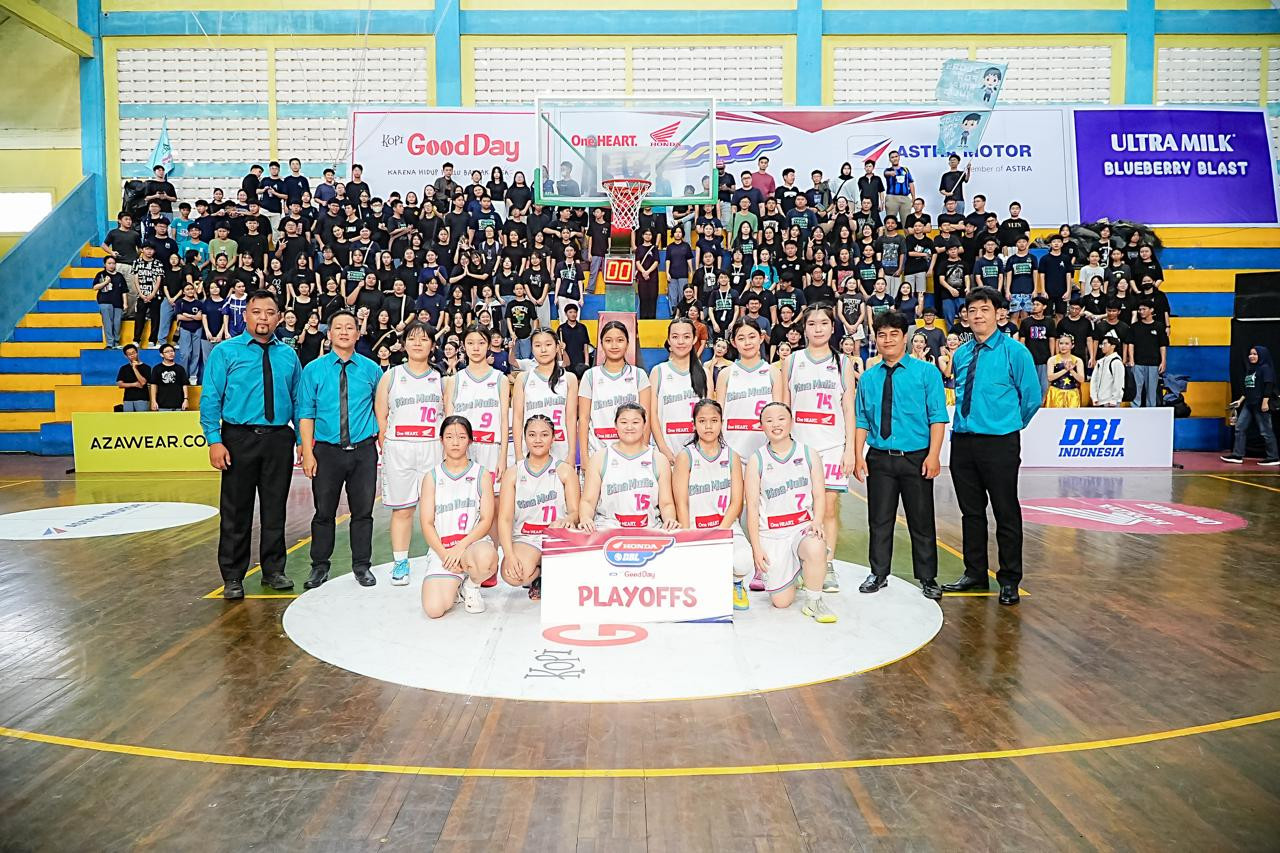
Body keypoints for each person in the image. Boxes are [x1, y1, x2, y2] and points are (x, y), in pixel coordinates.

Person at [200, 290, 303, 600]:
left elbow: (298, 401)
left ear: (279, 318)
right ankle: (233, 576)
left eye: (270, 313)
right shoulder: (225, 352)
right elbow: (211, 398)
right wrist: (215, 440)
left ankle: (273, 570)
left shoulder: (288, 355)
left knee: (275, 509)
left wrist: (302, 440)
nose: (263, 318)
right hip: (238, 438)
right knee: (236, 510)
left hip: (278, 439)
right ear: (245, 315)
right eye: (257, 312)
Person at [943, 288, 1042, 606]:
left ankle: (1009, 579)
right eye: (972, 310)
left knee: (1005, 510)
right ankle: (974, 573)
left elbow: (1032, 398)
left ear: (998, 314)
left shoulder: (1016, 352)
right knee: (970, 512)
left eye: (984, 309)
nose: (977, 315)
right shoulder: (962, 354)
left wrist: (1007, 424)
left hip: (999, 442)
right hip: (963, 441)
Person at [851, 311, 947, 600]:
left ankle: (928, 577)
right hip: (879, 458)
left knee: (921, 519)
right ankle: (878, 572)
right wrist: (858, 455)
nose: (888, 340)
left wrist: (934, 455)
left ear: (905, 337)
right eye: (882, 335)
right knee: (879, 519)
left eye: (894, 334)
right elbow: (861, 420)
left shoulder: (927, 373)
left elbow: (937, 417)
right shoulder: (868, 378)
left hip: (916, 457)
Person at [297, 310, 382, 589]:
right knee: (324, 512)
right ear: (329, 334)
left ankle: (362, 566)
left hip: (363, 451)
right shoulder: (313, 370)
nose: (344, 332)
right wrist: (307, 452)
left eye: (350, 327)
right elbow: (306, 413)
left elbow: (381, 410)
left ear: (358, 333)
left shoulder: (372, 370)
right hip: (327, 452)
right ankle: (319, 567)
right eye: (338, 327)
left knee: (363, 512)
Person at [781, 305, 857, 593]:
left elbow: (848, 408)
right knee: (797, 507)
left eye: (823, 323)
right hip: (799, 446)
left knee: (828, 508)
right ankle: (797, 563)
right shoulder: (792, 361)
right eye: (812, 323)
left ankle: (827, 564)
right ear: (804, 329)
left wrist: (850, 449)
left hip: (832, 445)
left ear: (832, 327)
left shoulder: (843, 363)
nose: (818, 328)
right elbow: (783, 406)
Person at [743, 402, 835, 623]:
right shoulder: (757, 459)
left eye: (781, 419)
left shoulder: (808, 453)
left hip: (800, 528)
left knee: (815, 545)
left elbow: (819, 494)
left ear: (791, 422)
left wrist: (817, 521)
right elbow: (752, 507)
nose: (776, 424)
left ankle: (814, 601)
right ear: (762, 426)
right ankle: (799, 574)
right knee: (781, 602)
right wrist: (756, 548)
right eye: (769, 420)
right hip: (772, 534)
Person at [375, 320, 443, 585]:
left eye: (424, 339)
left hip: (431, 447)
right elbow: (382, 416)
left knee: (435, 508)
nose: (417, 343)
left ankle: (437, 556)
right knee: (403, 509)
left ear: (432, 345)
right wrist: (386, 444)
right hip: (400, 448)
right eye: (412, 338)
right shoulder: (391, 376)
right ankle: (400, 561)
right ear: (403, 344)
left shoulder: (441, 379)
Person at [672, 399, 754, 610]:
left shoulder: (732, 456)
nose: (708, 426)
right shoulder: (685, 456)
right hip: (694, 527)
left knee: (743, 560)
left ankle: (736, 584)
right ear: (694, 424)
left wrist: (719, 533)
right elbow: (681, 502)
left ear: (722, 423)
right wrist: (687, 536)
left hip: (725, 526)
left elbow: (736, 502)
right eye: (702, 421)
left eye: (714, 421)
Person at [419, 415, 500, 618]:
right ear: (441, 440)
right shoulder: (432, 477)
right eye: (449, 437)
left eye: (462, 437)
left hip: (472, 546)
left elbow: (486, 520)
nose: (455, 442)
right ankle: (456, 585)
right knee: (434, 609)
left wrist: (460, 547)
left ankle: (471, 585)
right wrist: (444, 554)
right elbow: (427, 523)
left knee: (487, 557)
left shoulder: (481, 474)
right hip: (444, 550)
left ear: (470, 440)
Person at [497, 415, 581, 601]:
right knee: (511, 574)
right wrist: (509, 555)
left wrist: (567, 520)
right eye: (532, 434)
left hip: (556, 536)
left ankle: (549, 575)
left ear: (553, 438)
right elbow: (504, 518)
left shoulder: (564, 470)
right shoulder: (513, 473)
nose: (538, 440)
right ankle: (538, 575)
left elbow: (576, 512)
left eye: (544, 434)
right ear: (524, 437)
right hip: (526, 538)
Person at [579, 403, 678, 531]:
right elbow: (588, 501)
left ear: (644, 425)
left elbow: (666, 503)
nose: (629, 427)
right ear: (615, 425)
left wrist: (670, 519)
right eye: (624, 422)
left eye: (635, 422)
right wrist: (586, 518)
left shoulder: (659, 459)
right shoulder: (600, 458)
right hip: (607, 531)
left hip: (649, 531)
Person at [445, 324, 510, 485]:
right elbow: (448, 422)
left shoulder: (500, 379)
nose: (475, 348)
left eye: (481, 343)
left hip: (492, 448)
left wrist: (503, 457)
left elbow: (504, 420)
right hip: (462, 449)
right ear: (463, 346)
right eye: (470, 343)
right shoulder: (454, 381)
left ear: (488, 345)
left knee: (493, 498)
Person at [578, 321, 651, 455]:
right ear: (601, 344)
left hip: (632, 453)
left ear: (628, 343)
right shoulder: (590, 376)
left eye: (620, 340)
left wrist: (643, 452)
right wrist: (584, 457)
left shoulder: (639, 375)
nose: (614, 345)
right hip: (597, 453)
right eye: (608, 340)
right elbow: (583, 419)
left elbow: (646, 417)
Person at [513, 328, 577, 464]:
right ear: (532, 349)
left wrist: (571, 453)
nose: (543, 350)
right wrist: (518, 454)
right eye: (537, 345)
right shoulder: (523, 378)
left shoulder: (569, 378)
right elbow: (518, 418)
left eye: (548, 344)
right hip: (530, 450)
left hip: (561, 448)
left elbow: (571, 418)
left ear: (557, 347)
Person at [650, 318, 709, 465]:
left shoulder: (705, 373)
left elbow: (709, 415)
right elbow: (652, 414)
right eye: (675, 337)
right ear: (669, 340)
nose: (681, 342)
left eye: (686, 336)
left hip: (698, 454)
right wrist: (663, 449)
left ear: (694, 339)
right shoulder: (658, 371)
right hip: (665, 453)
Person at [1222, 346, 1279, 465]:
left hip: (1260, 403)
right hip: (1249, 403)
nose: (1251, 356)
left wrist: (1265, 402)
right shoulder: (1251, 369)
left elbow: (1269, 385)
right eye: (1250, 354)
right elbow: (1248, 388)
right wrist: (1240, 401)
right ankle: (1237, 455)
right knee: (1239, 428)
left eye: (1255, 354)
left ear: (1261, 355)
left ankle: (1273, 457)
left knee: (1266, 431)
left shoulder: (1265, 368)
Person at [1131, 299, 1168, 408]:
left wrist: (1163, 361)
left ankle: (1151, 410)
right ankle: (1134, 409)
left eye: (1144, 309)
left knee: (1151, 391)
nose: (1141, 311)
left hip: (1153, 363)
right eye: (1140, 309)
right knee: (1136, 390)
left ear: (1151, 310)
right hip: (1138, 362)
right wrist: (1131, 359)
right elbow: (1131, 344)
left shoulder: (1159, 326)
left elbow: (1162, 345)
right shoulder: (1135, 327)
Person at [93, 256, 127, 349]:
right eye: (109, 263)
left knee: (117, 323)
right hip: (105, 301)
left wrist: (125, 303)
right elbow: (95, 287)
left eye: (113, 263)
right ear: (105, 264)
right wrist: (106, 282)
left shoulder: (119, 276)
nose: (112, 265)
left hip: (118, 303)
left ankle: (116, 342)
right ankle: (110, 343)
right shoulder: (101, 274)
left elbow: (124, 290)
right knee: (108, 323)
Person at [1045, 334, 1085, 408]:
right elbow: (1050, 378)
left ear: (1072, 346)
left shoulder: (1077, 360)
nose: (1063, 346)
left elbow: (1081, 379)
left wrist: (1072, 370)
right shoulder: (1052, 360)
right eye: (1061, 343)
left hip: (1072, 394)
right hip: (1055, 393)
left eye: (1066, 344)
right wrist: (1065, 370)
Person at [149, 344, 189, 411]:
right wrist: (153, 401)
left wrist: (186, 399)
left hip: (179, 405)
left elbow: (184, 385)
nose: (170, 353)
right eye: (167, 352)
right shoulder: (157, 369)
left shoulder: (180, 369)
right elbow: (153, 385)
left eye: (172, 351)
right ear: (162, 355)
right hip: (162, 405)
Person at [1090, 332, 1125, 407]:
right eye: (1101, 344)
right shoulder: (1100, 362)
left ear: (1113, 346)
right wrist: (1094, 397)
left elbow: (1119, 383)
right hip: (1099, 401)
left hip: (1111, 402)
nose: (1102, 346)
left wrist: (1114, 399)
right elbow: (1094, 380)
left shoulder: (1116, 362)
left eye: (1105, 344)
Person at [116, 344, 151, 411]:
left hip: (142, 399)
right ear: (126, 356)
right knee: (128, 417)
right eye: (129, 354)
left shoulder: (146, 367)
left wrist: (135, 368)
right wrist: (134, 384)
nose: (132, 355)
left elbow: (143, 382)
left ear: (137, 352)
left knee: (142, 417)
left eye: (133, 353)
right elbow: (120, 384)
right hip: (127, 399)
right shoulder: (124, 368)